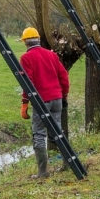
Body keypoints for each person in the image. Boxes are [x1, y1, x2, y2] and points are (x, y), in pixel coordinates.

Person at [19, 27, 69, 179]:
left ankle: (42, 173)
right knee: (58, 131)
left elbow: (28, 82)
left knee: (39, 135)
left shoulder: (26, 58)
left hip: (42, 101)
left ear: (25, 43)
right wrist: (64, 95)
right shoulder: (51, 55)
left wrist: (24, 103)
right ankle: (67, 163)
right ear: (39, 40)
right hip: (57, 99)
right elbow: (64, 77)